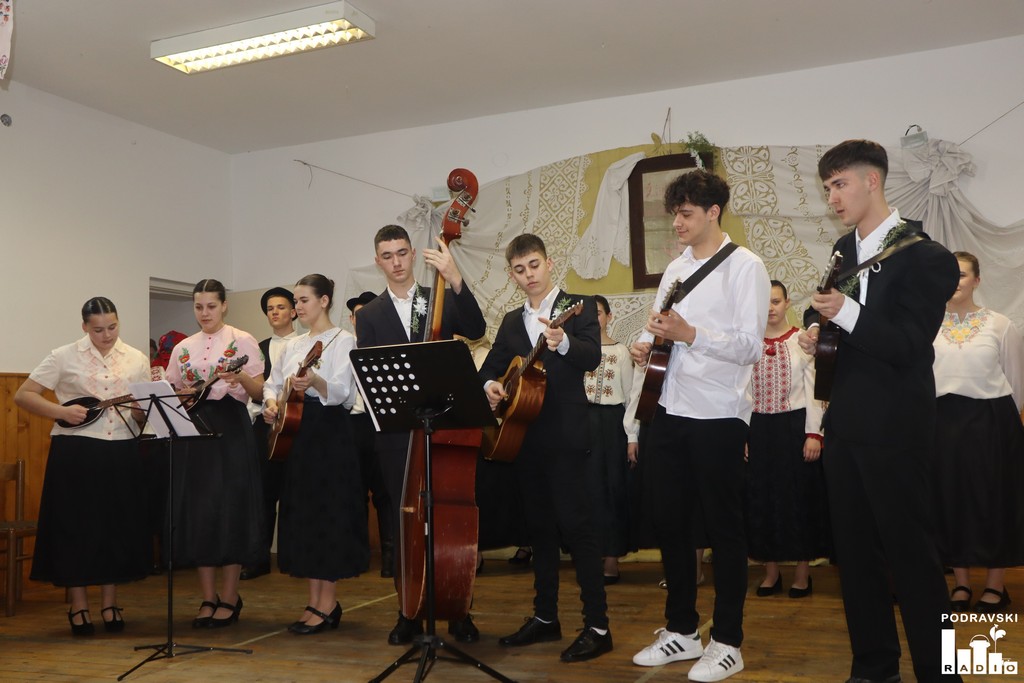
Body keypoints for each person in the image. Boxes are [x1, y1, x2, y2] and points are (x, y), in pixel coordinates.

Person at [797, 139, 961, 683]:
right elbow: (830, 315)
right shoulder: (843, 249)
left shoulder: (927, 257)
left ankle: (945, 673)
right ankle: (873, 667)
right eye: (827, 188)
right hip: (844, 421)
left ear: (872, 181)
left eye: (839, 184)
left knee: (914, 556)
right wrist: (816, 330)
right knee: (855, 556)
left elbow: (909, 345)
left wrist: (845, 311)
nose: (832, 197)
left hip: (897, 425)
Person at [629, 169, 769, 682]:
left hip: (718, 414)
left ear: (713, 212)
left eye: (686, 214)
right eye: (675, 214)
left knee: (724, 529)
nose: (678, 223)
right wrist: (646, 344)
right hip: (668, 407)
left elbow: (750, 346)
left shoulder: (746, 267)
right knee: (670, 522)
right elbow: (659, 330)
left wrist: (692, 333)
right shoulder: (675, 268)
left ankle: (728, 641)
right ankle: (682, 629)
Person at [480, 233, 611, 663]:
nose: (529, 275)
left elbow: (592, 357)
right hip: (523, 437)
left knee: (577, 528)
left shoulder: (578, 306)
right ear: (512, 275)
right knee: (539, 531)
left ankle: (598, 626)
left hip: (566, 437)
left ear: (549, 263)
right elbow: (490, 369)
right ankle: (545, 617)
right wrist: (492, 386)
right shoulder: (511, 322)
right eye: (520, 270)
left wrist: (563, 342)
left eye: (534, 265)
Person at [354, 224, 486, 645]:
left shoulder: (437, 297)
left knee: (449, 520)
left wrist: (454, 277)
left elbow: (476, 327)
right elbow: (371, 374)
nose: (396, 262)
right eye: (387, 255)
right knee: (404, 523)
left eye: (402, 253)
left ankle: (458, 608)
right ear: (378, 261)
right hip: (397, 436)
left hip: (442, 429)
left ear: (413, 254)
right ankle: (408, 610)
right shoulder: (369, 314)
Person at [15, 297, 152, 635]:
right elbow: (23, 394)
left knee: (114, 528)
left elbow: (142, 412)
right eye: (98, 329)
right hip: (76, 451)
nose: (107, 335)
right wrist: (60, 412)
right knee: (75, 528)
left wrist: (140, 411)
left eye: (112, 327)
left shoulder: (136, 358)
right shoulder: (64, 355)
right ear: (84, 327)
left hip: (121, 449)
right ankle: (79, 607)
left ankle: (110, 604)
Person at [262, 274, 368, 634]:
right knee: (304, 515)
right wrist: (271, 405)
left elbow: (344, 393)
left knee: (327, 514)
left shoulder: (344, 340)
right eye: (296, 300)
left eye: (303, 300)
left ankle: (329, 603)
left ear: (324, 301)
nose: (298, 307)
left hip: (330, 435)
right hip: (297, 434)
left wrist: (316, 382)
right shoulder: (293, 345)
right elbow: (272, 384)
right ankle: (313, 601)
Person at [164, 278, 266, 629]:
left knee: (230, 509)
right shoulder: (183, 347)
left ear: (224, 305)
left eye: (211, 306)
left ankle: (231, 596)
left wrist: (240, 380)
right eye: (198, 307)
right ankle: (208, 597)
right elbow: (173, 389)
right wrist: (177, 394)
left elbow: (259, 391)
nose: (204, 313)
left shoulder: (243, 340)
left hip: (230, 428)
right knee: (200, 512)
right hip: (194, 428)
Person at [931, 251, 1024, 614]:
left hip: (991, 422)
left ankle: (996, 587)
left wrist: (1003, 423)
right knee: (950, 499)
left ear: (977, 281)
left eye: (962, 274)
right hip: (942, 422)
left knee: (993, 501)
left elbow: (1016, 381)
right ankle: (961, 583)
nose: (955, 281)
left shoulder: (1000, 324)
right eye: (949, 274)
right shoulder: (926, 323)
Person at [745, 281, 826, 599]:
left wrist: (814, 434)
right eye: (765, 302)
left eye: (776, 301)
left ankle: (802, 575)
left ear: (787, 303)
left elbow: (815, 390)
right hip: (759, 428)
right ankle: (771, 573)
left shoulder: (801, 341)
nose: (770, 308)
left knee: (799, 499)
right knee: (761, 499)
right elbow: (741, 393)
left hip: (794, 427)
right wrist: (742, 434)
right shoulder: (749, 344)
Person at [241, 286, 298, 581]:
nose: (275, 312)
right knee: (262, 494)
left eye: (281, 307)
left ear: (294, 311)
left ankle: (291, 557)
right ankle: (259, 558)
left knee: (293, 493)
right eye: (270, 309)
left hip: (296, 427)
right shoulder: (258, 347)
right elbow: (255, 392)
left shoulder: (305, 344)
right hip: (263, 427)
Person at [583, 294, 633, 584]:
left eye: (599, 313)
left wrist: (632, 437)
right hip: (583, 423)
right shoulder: (577, 350)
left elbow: (630, 397)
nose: (594, 318)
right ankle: (590, 558)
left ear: (609, 316)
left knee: (612, 489)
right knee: (587, 492)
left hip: (612, 425)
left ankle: (612, 559)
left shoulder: (621, 352)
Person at [346, 289, 394, 579]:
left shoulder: (384, 347)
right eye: (357, 315)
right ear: (352, 319)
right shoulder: (343, 347)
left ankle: (390, 555)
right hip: (352, 425)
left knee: (385, 492)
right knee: (354, 492)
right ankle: (357, 555)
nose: (361, 320)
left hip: (380, 424)